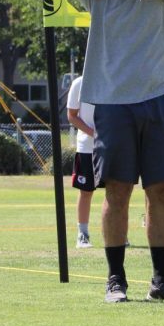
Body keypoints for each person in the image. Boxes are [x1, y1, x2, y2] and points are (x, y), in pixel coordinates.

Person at [39, 0, 164, 303]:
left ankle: (163, 281)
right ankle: (116, 280)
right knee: (117, 194)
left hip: (159, 99)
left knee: (162, 192)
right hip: (112, 105)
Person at [66, 74, 99, 248]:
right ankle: (82, 234)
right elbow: (71, 115)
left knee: (116, 192)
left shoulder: (113, 79)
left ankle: (118, 234)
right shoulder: (79, 83)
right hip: (86, 147)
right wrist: (94, 133)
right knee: (86, 191)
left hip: (112, 147)